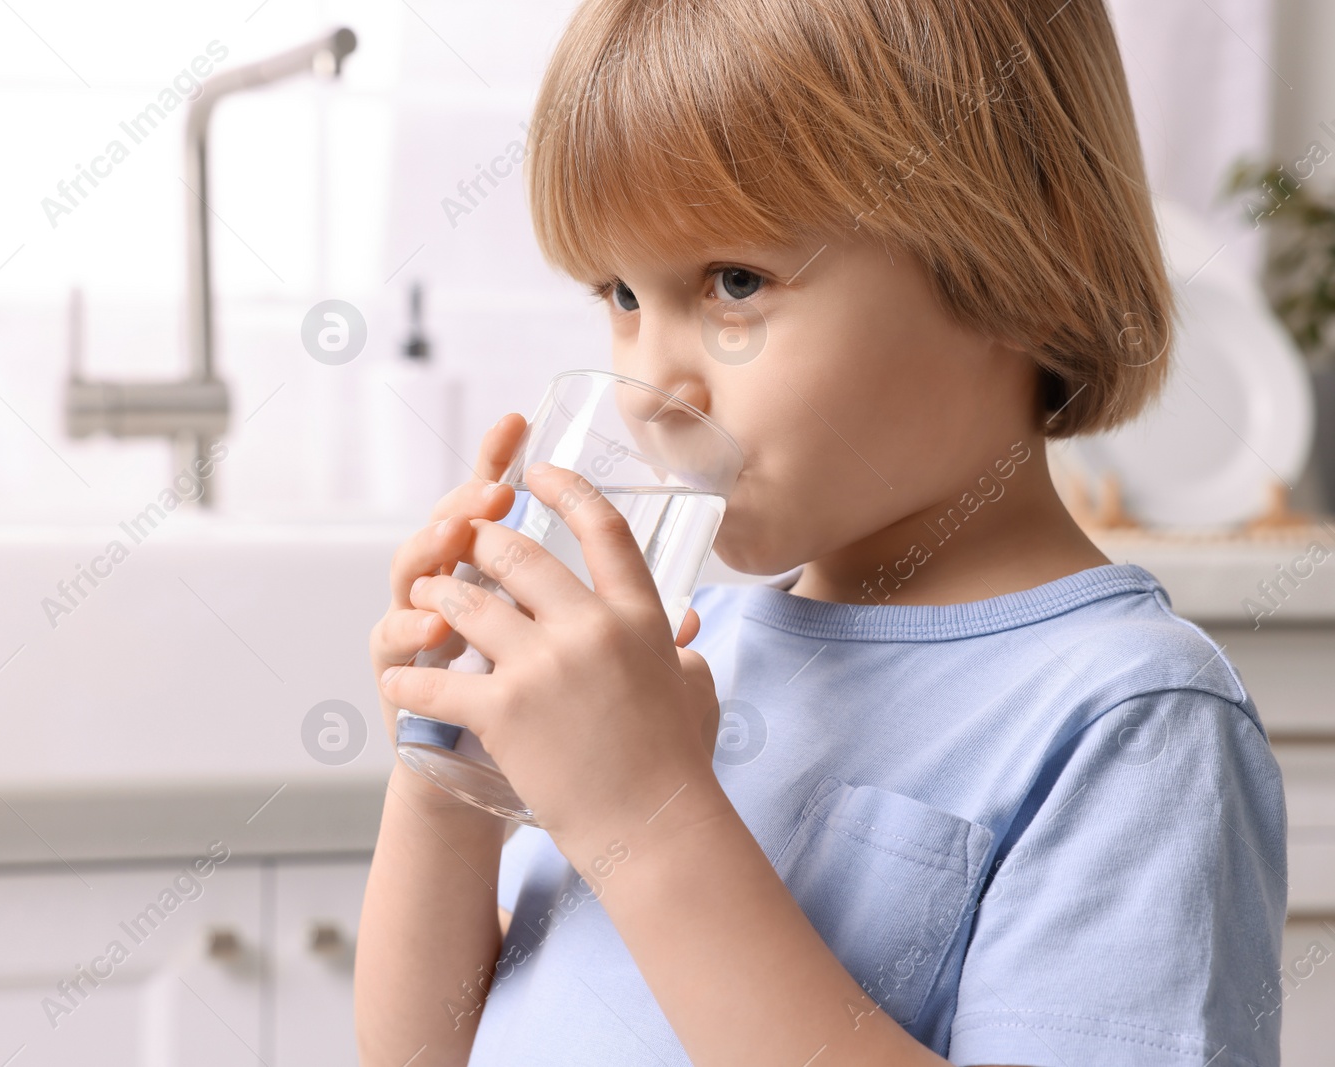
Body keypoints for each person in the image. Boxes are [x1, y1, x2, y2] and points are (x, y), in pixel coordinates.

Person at [356, 1, 1287, 1064]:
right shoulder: (675, 664)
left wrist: (647, 818)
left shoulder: (1127, 719)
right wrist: (454, 777)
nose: (653, 387)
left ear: (1015, 273)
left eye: (735, 282)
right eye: (620, 293)